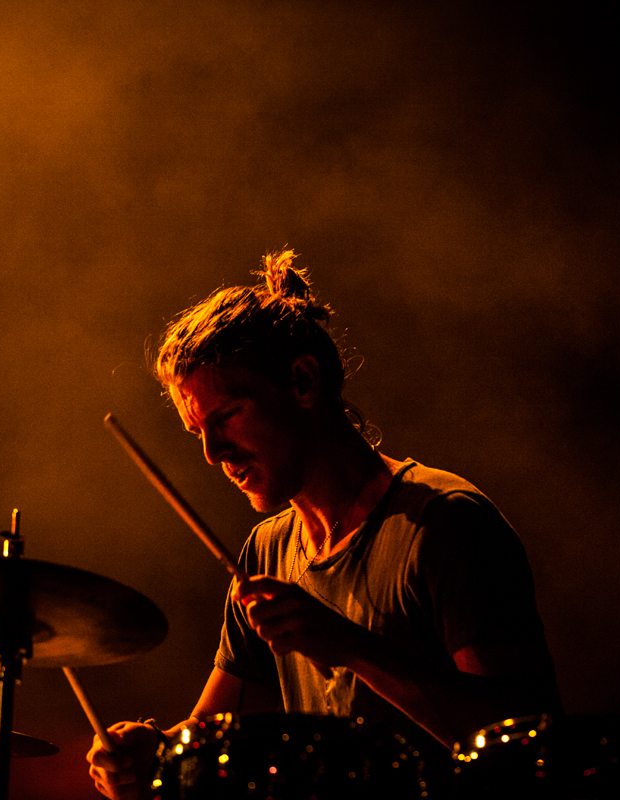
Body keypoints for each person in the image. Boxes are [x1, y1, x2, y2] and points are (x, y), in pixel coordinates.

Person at [87, 250, 560, 799]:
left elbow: (524, 748)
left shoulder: (443, 523)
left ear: (303, 382)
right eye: (199, 433)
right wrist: (154, 754)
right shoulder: (266, 551)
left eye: (227, 416)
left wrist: (349, 646)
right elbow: (205, 735)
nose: (215, 453)